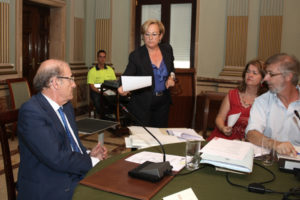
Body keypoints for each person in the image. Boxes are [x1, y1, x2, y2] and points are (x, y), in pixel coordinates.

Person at [17, 59, 108, 200]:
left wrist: (88, 154)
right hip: (50, 184)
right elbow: (57, 157)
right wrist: (92, 162)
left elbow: (70, 144)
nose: (74, 84)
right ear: (55, 82)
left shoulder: (66, 106)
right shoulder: (32, 112)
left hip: (70, 172)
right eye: (70, 79)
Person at [118, 19, 175, 128]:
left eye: (154, 34)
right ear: (143, 36)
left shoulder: (167, 49)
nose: (150, 38)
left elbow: (172, 68)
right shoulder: (136, 55)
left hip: (163, 103)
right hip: (142, 105)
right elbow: (126, 76)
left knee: (160, 138)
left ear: (160, 36)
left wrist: (171, 77)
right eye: (147, 34)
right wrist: (122, 86)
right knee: (143, 141)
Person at [246, 53, 300, 156]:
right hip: (270, 160)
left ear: (288, 76)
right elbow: (251, 133)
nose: (265, 78)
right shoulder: (262, 101)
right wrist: (275, 144)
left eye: (271, 74)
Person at [207, 59, 267, 141]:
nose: (250, 75)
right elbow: (220, 117)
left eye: (254, 73)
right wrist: (223, 128)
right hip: (223, 138)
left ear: (263, 79)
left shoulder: (264, 100)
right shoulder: (232, 94)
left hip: (247, 143)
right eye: (248, 71)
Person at [87, 50, 117, 117]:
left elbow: (115, 83)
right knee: (98, 100)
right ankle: (104, 116)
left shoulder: (110, 69)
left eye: (104, 57)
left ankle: (112, 114)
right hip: (96, 91)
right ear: (97, 58)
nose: (102, 59)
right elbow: (91, 86)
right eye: (100, 57)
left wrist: (113, 91)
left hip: (109, 90)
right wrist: (101, 92)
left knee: (116, 98)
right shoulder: (92, 71)